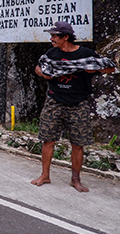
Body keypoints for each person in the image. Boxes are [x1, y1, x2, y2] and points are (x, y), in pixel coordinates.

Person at [32, 21, 115, 192]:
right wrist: (44, 74)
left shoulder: (86, 54)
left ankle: (75, 179)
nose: (51, 38)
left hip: (78, 103)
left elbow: (110, 68)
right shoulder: (51, 54)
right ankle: (45, 175)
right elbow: (38, 67)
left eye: (55, 36)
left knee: (78, 144)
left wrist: (94, 70)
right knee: (48, 140)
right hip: (54, 101)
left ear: (66, 37)